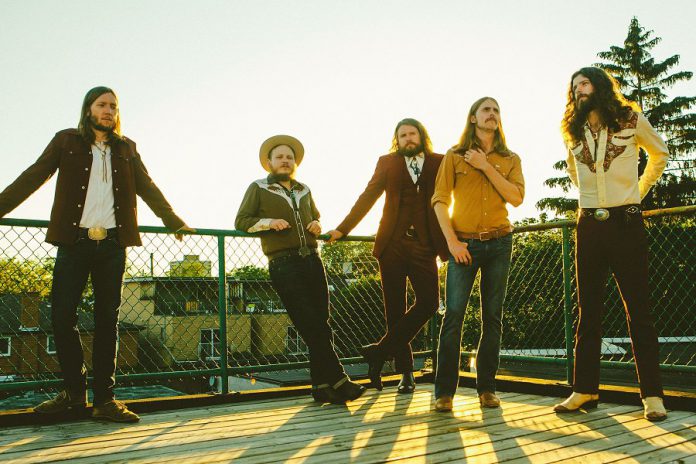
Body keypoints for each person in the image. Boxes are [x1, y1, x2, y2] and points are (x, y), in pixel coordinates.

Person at [0, 86, 194, 422]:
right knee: (62, 317)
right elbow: (33, 175)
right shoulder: (67, 141)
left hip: (113, 245)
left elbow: (147, 186)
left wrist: (173, 220)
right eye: (102, 104)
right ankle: (74, 394)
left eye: (113, 106)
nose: (108, 111)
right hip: (74, 243)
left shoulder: (126, 148)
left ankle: (105, 400)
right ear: (88, 109)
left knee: (108, 322)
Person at [554, 67, 669, 421]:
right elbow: (575, 171)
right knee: (587, 311)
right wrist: (587, 196)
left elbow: (660, 154)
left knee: (639, 310)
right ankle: (584, 389)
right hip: (588, 225)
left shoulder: (630, 117)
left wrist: (637, 192)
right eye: (574, 87)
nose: (578, 90)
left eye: (584, 83)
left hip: (625, 222)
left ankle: (652, 395)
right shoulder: (571, 130)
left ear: (600, 86)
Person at [235, 134, 365, 404]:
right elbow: (241, 221)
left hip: (313, 259)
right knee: (309, 323)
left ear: (295, 163)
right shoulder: (258, 188)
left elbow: (315, 215)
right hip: (284, 263)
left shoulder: (304, 188)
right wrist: (269, 222)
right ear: (269, 162)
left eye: (289, 157)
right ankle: (340, 379)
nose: (285, 161)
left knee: (322, 324)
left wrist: (317, 224)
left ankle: (320, 387)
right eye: (279, 157)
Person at [326, 118, 448, 394]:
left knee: (429, 302)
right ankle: (406, 374)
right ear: (397, 139)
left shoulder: (438, 161)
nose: (407, 138)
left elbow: (451, 196)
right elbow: (368, 196)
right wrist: (343, 228)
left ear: (421, 136)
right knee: (394, 310)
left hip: (424, 245)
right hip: (392, 244)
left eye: (412, 133)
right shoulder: (387, 162)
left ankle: (378, 352)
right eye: (402, 135)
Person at [432, 97, 524, 411]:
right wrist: (453, 244)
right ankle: (444, 393)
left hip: (499, 244)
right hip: (464, 246)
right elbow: (440, 201)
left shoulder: (510, 158)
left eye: (497, 109)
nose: (492, 114)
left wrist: (485, 166)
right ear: (473, 118)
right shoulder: (454, 156)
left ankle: (487, 389)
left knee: (493, 318)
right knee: (454, 315)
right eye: (486, 109)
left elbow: (516, 198)